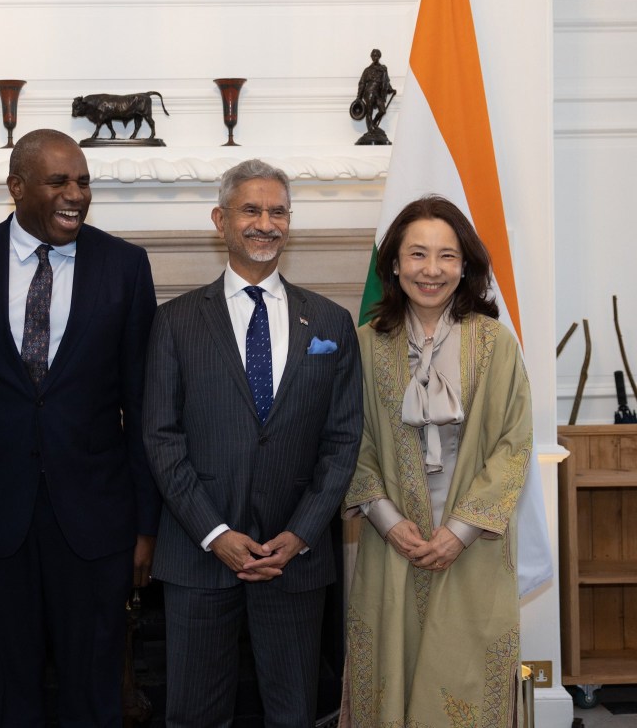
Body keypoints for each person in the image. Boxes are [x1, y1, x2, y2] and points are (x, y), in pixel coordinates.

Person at [0, 128, 161, 727]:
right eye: (58, 181)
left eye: (83, 182)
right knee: (5, 694)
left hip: (96, 521)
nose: (75, 194)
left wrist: (145, 526)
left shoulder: (125, 266)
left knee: (95, 693)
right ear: (17, 186)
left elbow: (144, 406)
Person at [143, 159, 363, 727]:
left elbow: (343, 440)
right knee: (194, 715)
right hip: (198, 554)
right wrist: (214, 534)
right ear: (221, 220)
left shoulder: (331, 323)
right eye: (251, 210)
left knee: (293, 714)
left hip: (294, 558)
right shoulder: (175, 322)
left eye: (278, 212)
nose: (266, 223)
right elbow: (161, 437)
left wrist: (302, 533)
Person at [343, 195, 532, 726]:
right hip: (392, 546)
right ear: (394, 264)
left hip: (474, 547)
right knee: (391, 676)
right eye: (417, 254)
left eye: (447, 256)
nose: (431, 270)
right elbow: (349, 442)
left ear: (465, 265)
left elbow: (514, 444)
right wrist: (388, 521)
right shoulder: (364, 344)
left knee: (464, 677)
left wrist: (461, 531)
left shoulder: (495, 343)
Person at [354, 48, 395, 141]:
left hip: (378, 94)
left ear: (379, 56)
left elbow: (386, 81)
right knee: (369, 112)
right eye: (373, 56)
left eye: (376, 55)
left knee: (382, 110)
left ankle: (373, 124)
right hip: (369, 92)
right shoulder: (367, 70)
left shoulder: (383, 69)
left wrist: (391, 90)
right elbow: (362, 83)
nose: (374, 57)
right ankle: (371, 129)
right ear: (371, 57)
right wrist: (359, 97)